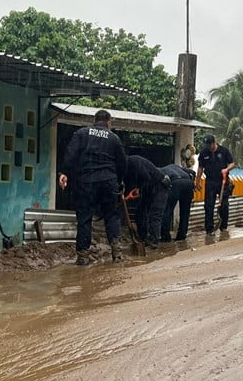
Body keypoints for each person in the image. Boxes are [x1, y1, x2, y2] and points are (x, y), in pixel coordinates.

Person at [58, 110, 127, 265]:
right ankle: (117, 253)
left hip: (86, 181)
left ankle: (83, 256)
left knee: (84, 217)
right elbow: (122, 163)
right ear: (109, 122)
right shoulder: (114, 138)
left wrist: (64, 172)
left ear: (94, 120)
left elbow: (70, 154)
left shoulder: (82, 133)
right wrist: (120, 181)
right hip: (109, 182)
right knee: (111, 216)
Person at [195, 134, 235, 245]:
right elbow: (200, 168)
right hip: (210, 182)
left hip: (223, 180)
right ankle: (209, 229)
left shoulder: (224, 151)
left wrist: (226, 169)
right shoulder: (204, 153)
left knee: (224, 205)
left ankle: (223, 227)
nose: (208, 147)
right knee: (208, 205)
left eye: (209, 145)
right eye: (206, 145)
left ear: (214, 143)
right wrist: (197, 182)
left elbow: (232, 163)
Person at [125, 155, 170, 250]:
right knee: (140, 212)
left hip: (160, 186)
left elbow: (146, 178)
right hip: (149, 188)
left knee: (155, 215)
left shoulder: (134, 162)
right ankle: (144, 238)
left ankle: (154, 241)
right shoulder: (129, 167)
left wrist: (139, 190)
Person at [160, 164, 196, 242]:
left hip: (176, 182)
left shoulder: (159, 171)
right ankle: (182, 235)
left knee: (167, 210)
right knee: (185, 212)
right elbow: (192, 172)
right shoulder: (177, 167)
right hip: (188, 183)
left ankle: (165, 237)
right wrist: (193, 183)